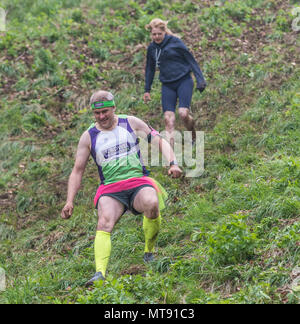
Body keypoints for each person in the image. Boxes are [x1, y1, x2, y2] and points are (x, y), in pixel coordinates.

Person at [61, 90, 182, 287]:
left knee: (152, 204)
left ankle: (148, 252)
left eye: (105, 112)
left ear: (114, 108)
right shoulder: (89, 136)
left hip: (137, 182)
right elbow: (77, 171)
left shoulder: (130, 123)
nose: (102, 117)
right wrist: (69, 201)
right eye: (97, 114)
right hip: (110, 189)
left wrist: (173, 163)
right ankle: (99, 273)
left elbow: (158, 140)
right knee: (104, 222)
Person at [143, 18, 206, 148]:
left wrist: (200, 80)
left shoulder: (175, 42)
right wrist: (147, 90)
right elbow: (150, 69)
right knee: (168, 119)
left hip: (184, 80)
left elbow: (191, 60)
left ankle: (193, 135)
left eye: (159, 34)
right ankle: (171, 157)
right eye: (154, 34)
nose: (156, 37)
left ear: (164, 32)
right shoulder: (152, 49)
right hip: (167, 84)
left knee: (183, 114)